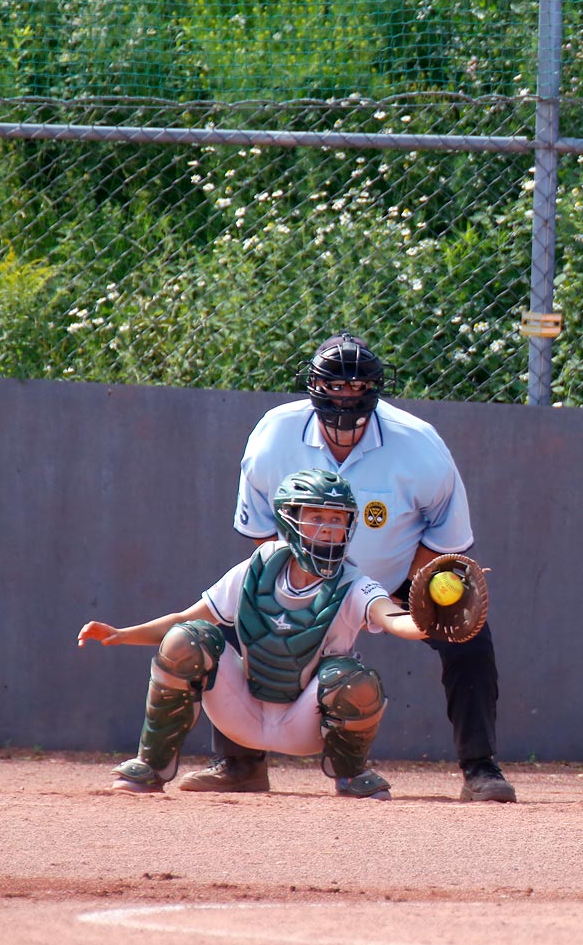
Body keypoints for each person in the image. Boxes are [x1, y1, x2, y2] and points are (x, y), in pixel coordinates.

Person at [179, 332, 516, 803]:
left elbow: (446, 543)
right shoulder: (273, 436)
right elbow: (262, 535)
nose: (344, 398)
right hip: (305, 572)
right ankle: (239, 764)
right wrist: (297, 589)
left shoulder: (418, 445)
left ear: (375, 392)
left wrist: (411, 596)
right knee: (246, 619)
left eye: (357, 388)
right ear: (312, 387)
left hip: (400, 575)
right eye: (334, 387)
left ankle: (480, 769)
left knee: (469, 639)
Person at [78, 469, 428, 798]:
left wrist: (430, 623)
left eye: (336, 520)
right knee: (189, 637)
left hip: (305, 724)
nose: (327, 529)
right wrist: (123, 634)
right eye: (316, 517)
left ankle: (350, 774)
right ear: (290, 520)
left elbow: (395, 620)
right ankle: (151, 766)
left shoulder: (355, 585)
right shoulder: (257, 568)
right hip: (241, 713)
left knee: (354, 680)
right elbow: (186, 617)